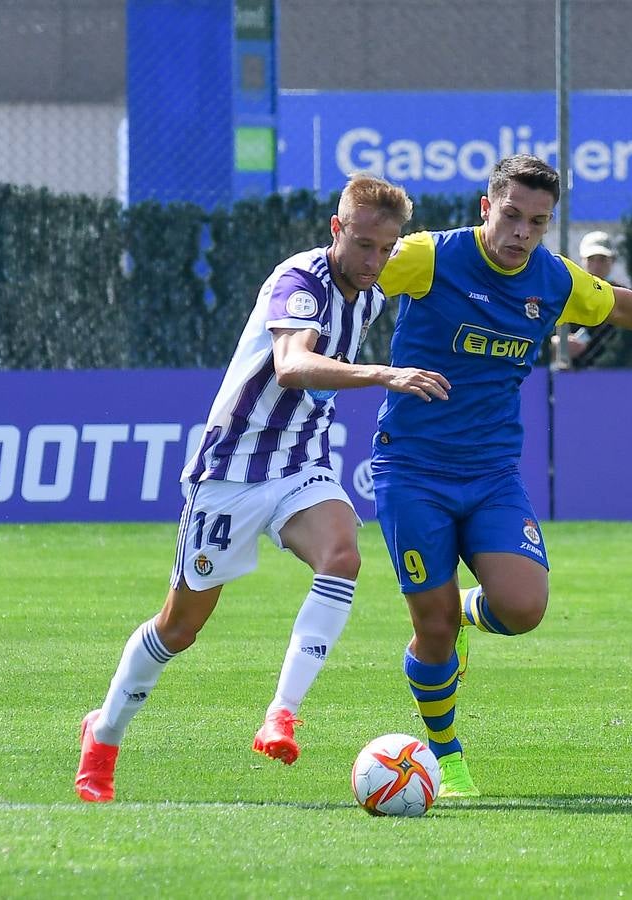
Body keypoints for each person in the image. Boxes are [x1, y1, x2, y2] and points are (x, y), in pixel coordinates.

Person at [371, 154, 632, 797]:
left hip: (492, 473)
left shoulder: (552, 281)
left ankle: (461, 610)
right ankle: (444, 753)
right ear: (486, 208)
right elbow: (354, 273)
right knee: (430, 631)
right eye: (513, 215)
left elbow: (620, 306)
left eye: (538, 222)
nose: (522, 231)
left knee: (523, 609)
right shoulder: (427, 258)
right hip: (412, 469)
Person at [74, 173, 449, 802]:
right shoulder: (297, 281)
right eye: (363, 245)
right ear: (338, 230)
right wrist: (385, 374)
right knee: (180, 627)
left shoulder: (373, 292)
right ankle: (104, 731)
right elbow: (292, 365)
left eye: (386, 250)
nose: (374, 260)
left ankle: (282, 712)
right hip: (229, 473)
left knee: (344, 553)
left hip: (300, 465)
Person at [554, 230, 622, 369]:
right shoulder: (569, 291)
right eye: (591, 259)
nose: (596, 265)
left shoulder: (622, 295)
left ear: (613, 261)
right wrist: (557, 342)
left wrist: (587, 343)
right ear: (582, 260)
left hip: (611, 368)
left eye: (602, 259)